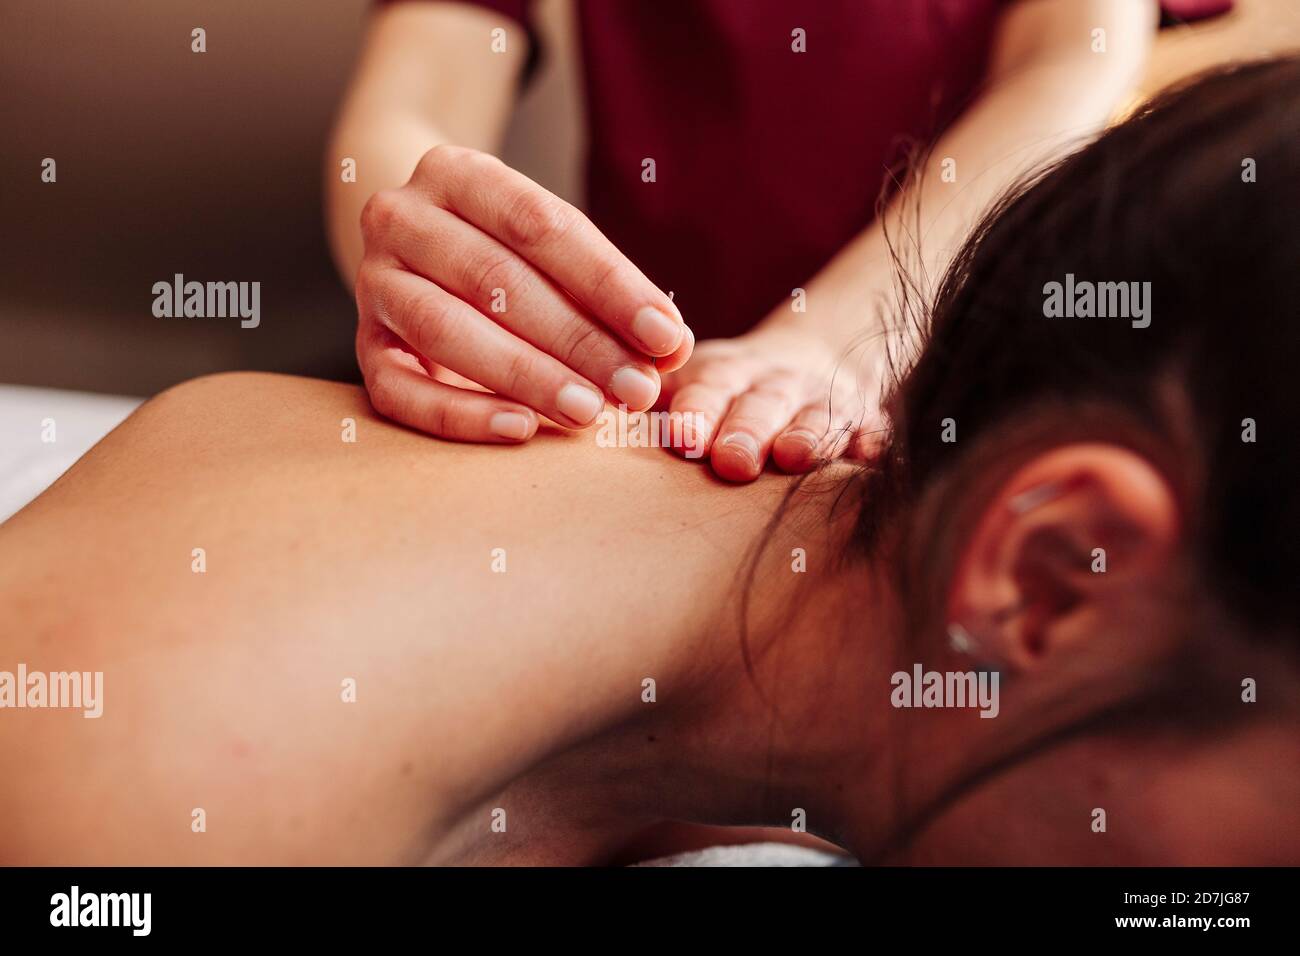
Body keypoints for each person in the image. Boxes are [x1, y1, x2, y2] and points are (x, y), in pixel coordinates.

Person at [3, 57, 1296, 864]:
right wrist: (471, 266)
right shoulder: (162, 786)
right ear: (1059, 571)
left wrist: (827, 341)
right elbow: (413, 110)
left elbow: (1080, 60)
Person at [326, 0, 1158, 481]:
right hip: (652, 400)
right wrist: (435, 268)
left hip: (965, 377)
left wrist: (849, 331)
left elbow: (1074, 61)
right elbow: (418, 95)